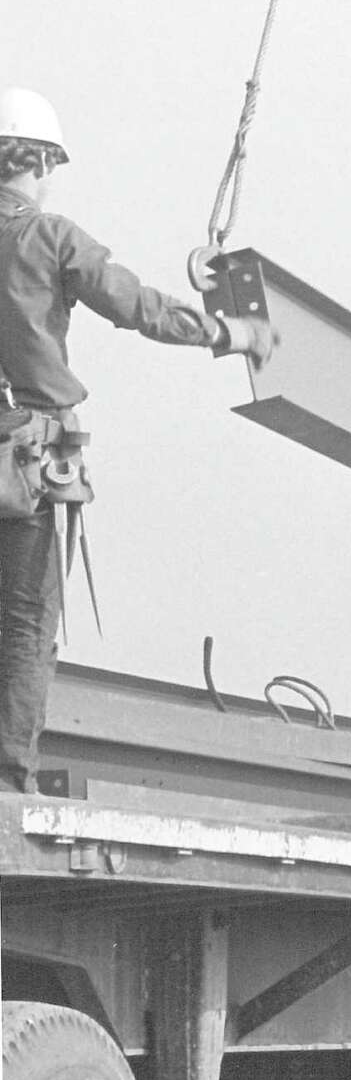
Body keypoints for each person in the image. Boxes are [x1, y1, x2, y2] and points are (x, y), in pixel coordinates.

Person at [0, 86, 277, 794]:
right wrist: (227, 331)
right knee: (26, 621)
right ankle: (7, 779)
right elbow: (135, 306)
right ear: (40, 162)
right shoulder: (51, 238)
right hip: (24, 459)